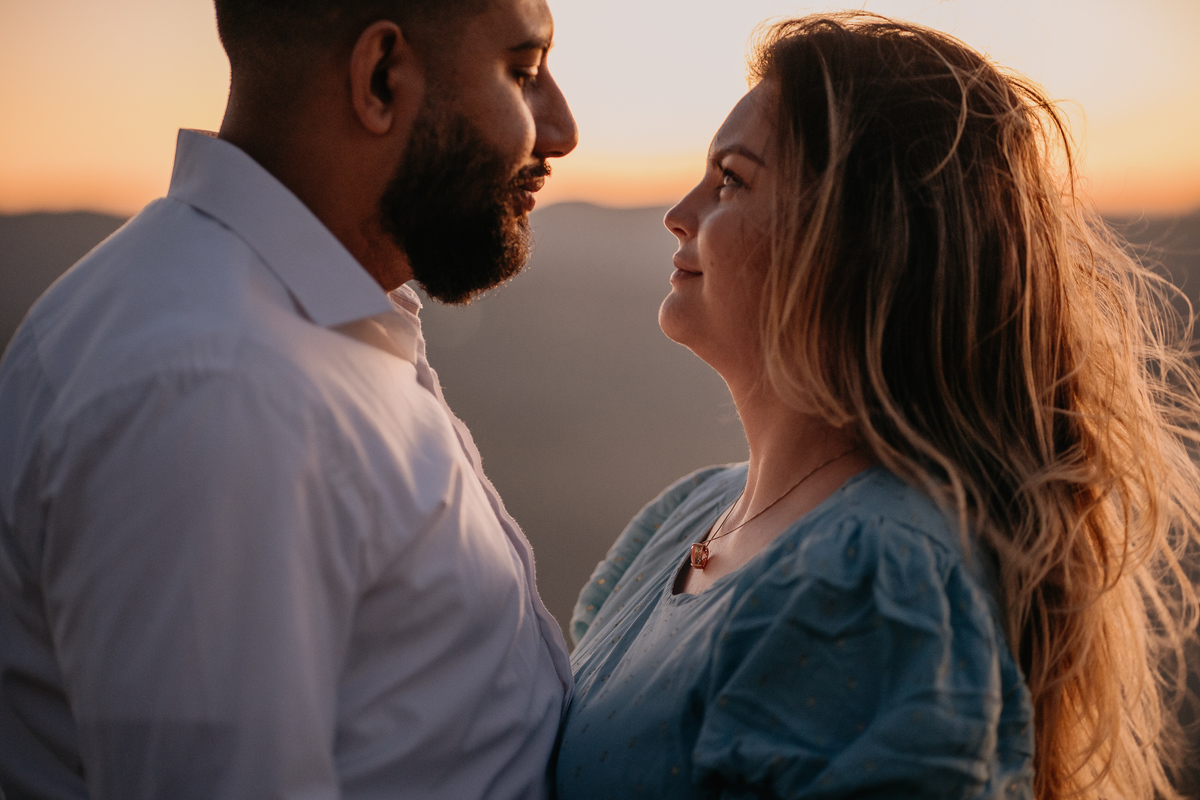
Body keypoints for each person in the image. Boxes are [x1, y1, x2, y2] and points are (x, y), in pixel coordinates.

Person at [557, 12, 1200, 800]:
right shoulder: (681, 518)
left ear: (853, 240)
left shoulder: (877, 580)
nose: (680, 210)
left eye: (732, 178)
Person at [0, 0, 577, 797]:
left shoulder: (294, 329)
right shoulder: (215, 385)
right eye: (525, 74)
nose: (562, 129)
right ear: (380, 78)